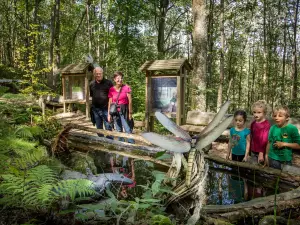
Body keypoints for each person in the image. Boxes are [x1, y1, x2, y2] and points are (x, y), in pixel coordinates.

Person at [107, 71, 135, 144]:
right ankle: (121, 145)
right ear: (114, 79)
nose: (120, 80)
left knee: (127, 129)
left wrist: (130, 113)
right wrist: (109, 114)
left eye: (121, 78)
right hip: (115, 112)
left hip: (124, 111)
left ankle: (131, 145)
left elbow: (130, 101)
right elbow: (110, 102)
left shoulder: (126, 88)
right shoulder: (111, 89)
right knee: (118, 129)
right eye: (118, 78)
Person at [89, 67, 113, 139]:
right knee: (99, 129)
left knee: (108, 128)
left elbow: (112, 97)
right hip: (96, 110)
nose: (98, 75)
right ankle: (102, 142)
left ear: (102, 74)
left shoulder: (108, 83)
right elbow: (92, 95)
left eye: (100, 73)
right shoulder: (91, 84)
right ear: (94, 74)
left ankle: (110, 143)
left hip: (106, 109)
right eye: (97, 74)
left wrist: (110, 111)